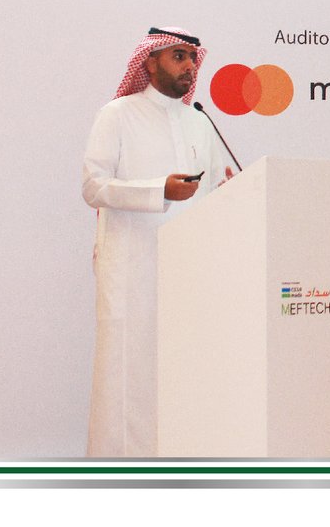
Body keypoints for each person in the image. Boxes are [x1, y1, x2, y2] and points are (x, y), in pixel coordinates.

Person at [82, 26, 233, 456]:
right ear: (150, 62)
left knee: (186, 370)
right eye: (178, 56)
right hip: (135, 268)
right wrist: (158, 191)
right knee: (129, 372)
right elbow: (93, 187)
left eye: (192, 58)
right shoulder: (117, 114)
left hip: (192, 271)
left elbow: (217, 189)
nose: (189, 66)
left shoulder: (200, 122)